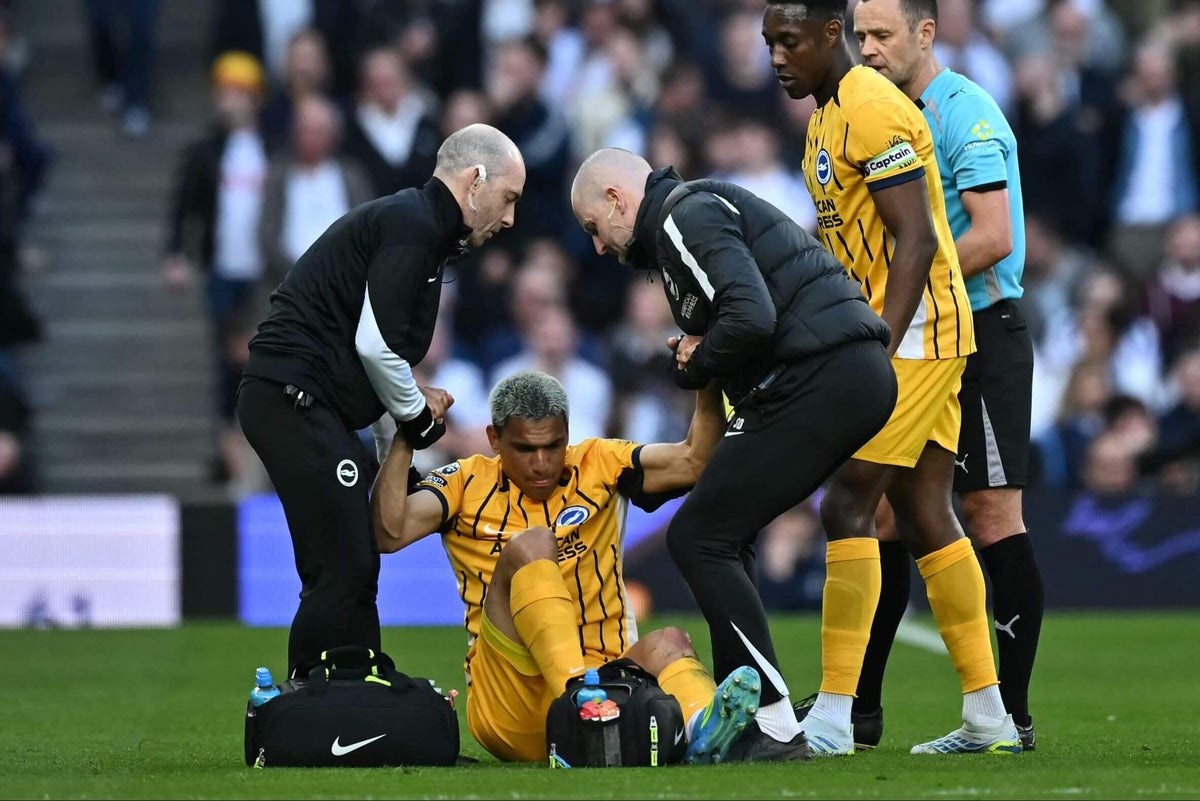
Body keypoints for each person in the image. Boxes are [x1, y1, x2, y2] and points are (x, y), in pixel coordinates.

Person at [570, 148, 896, 760]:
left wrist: (699, 358)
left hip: (823, 373)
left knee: (699, 536)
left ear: (617, 200)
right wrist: (702, 351)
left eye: (594, 227)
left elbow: (751, 317)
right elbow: (745, 317)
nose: (597, 246)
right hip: (834, 371)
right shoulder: (686, 222)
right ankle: (740, 708)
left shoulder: (679, 217)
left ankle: (769, 721)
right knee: (722, 532)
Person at [762, 0, 1021, 755]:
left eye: (790, 41)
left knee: (846, 501)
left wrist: (876, 343)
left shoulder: (872, 107)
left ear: (830, 35)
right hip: (906, 334)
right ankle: (987, 714)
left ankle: (836, 718)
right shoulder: (825, 119)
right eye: (769, 43)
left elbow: (916, 236)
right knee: (924, 512)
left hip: (918, 337)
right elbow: (850, 243)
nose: (777, 57)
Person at [236, 123, 526, 680]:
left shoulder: (420, 230)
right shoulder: (414, 227)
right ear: (475, 180)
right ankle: (335, 689)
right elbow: (376, 347)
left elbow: (375, 355)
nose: (510, 218)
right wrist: (420, 422)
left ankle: (339, 686)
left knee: (345, 557)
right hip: (295, 397)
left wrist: (402, 436)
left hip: (301, 399)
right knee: (344, 560)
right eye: (508, 198)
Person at [370, 369, 763, 765]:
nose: (541, 463)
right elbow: (389, 532)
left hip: (608, 683)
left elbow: (694, 461)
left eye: (554, 446)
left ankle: (701, 731)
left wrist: (710, 377)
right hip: (509, 703)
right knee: (535, 542)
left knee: (671, 642)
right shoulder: (465, 481)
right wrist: (408, 436)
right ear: (494, 440)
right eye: (525, 448)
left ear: (568, 435)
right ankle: (577, 699)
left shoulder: (600, 464)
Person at [849, 0, 1044, 752]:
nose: (867, 48)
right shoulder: (873, 113)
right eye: (860, 35)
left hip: (984, 334)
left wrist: (906, 287)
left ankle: (1012, 718)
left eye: (882, 35)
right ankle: (858, 712)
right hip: (922, 338)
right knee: (887, 513)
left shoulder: (965, 111)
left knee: (992, 514)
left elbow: (993, 236)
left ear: (925, 35)